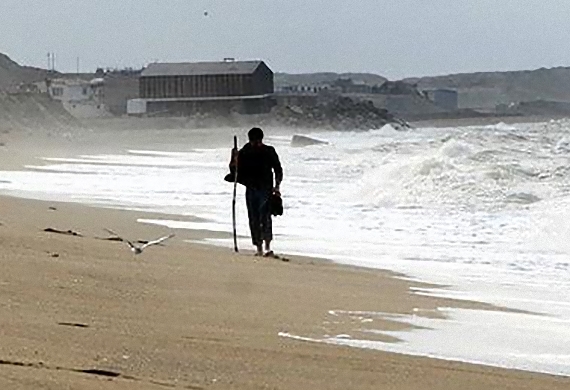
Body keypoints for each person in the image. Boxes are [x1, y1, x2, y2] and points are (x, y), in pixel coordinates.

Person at [229, 127, 283, 257]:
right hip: (251, 189)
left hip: (266, 188)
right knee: (253, 218)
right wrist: (233, 158)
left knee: (265, 216)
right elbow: (234, 171)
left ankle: (267, 246)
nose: (255, 144)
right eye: (253, 142)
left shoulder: (269, 151)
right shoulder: (244, 152)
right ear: (250, 140)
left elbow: (278, 170)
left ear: (261, 140)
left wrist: (277, 187)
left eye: (257, 142)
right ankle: (258, 247)